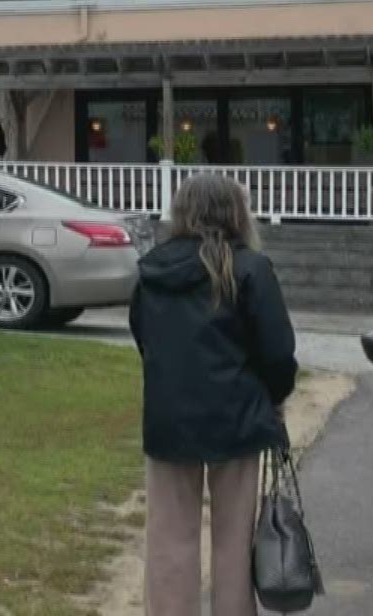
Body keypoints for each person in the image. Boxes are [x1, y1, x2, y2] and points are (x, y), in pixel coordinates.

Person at [128, 173, 298, 616]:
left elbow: (144, 338)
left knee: (169, 538)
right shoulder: (251, 269)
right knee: (235, 540)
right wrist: (274, 398)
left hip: (169, 419)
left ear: (182, 211)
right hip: (237, 418)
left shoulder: (153, 268)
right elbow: (278, 352)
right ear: (236, 212)